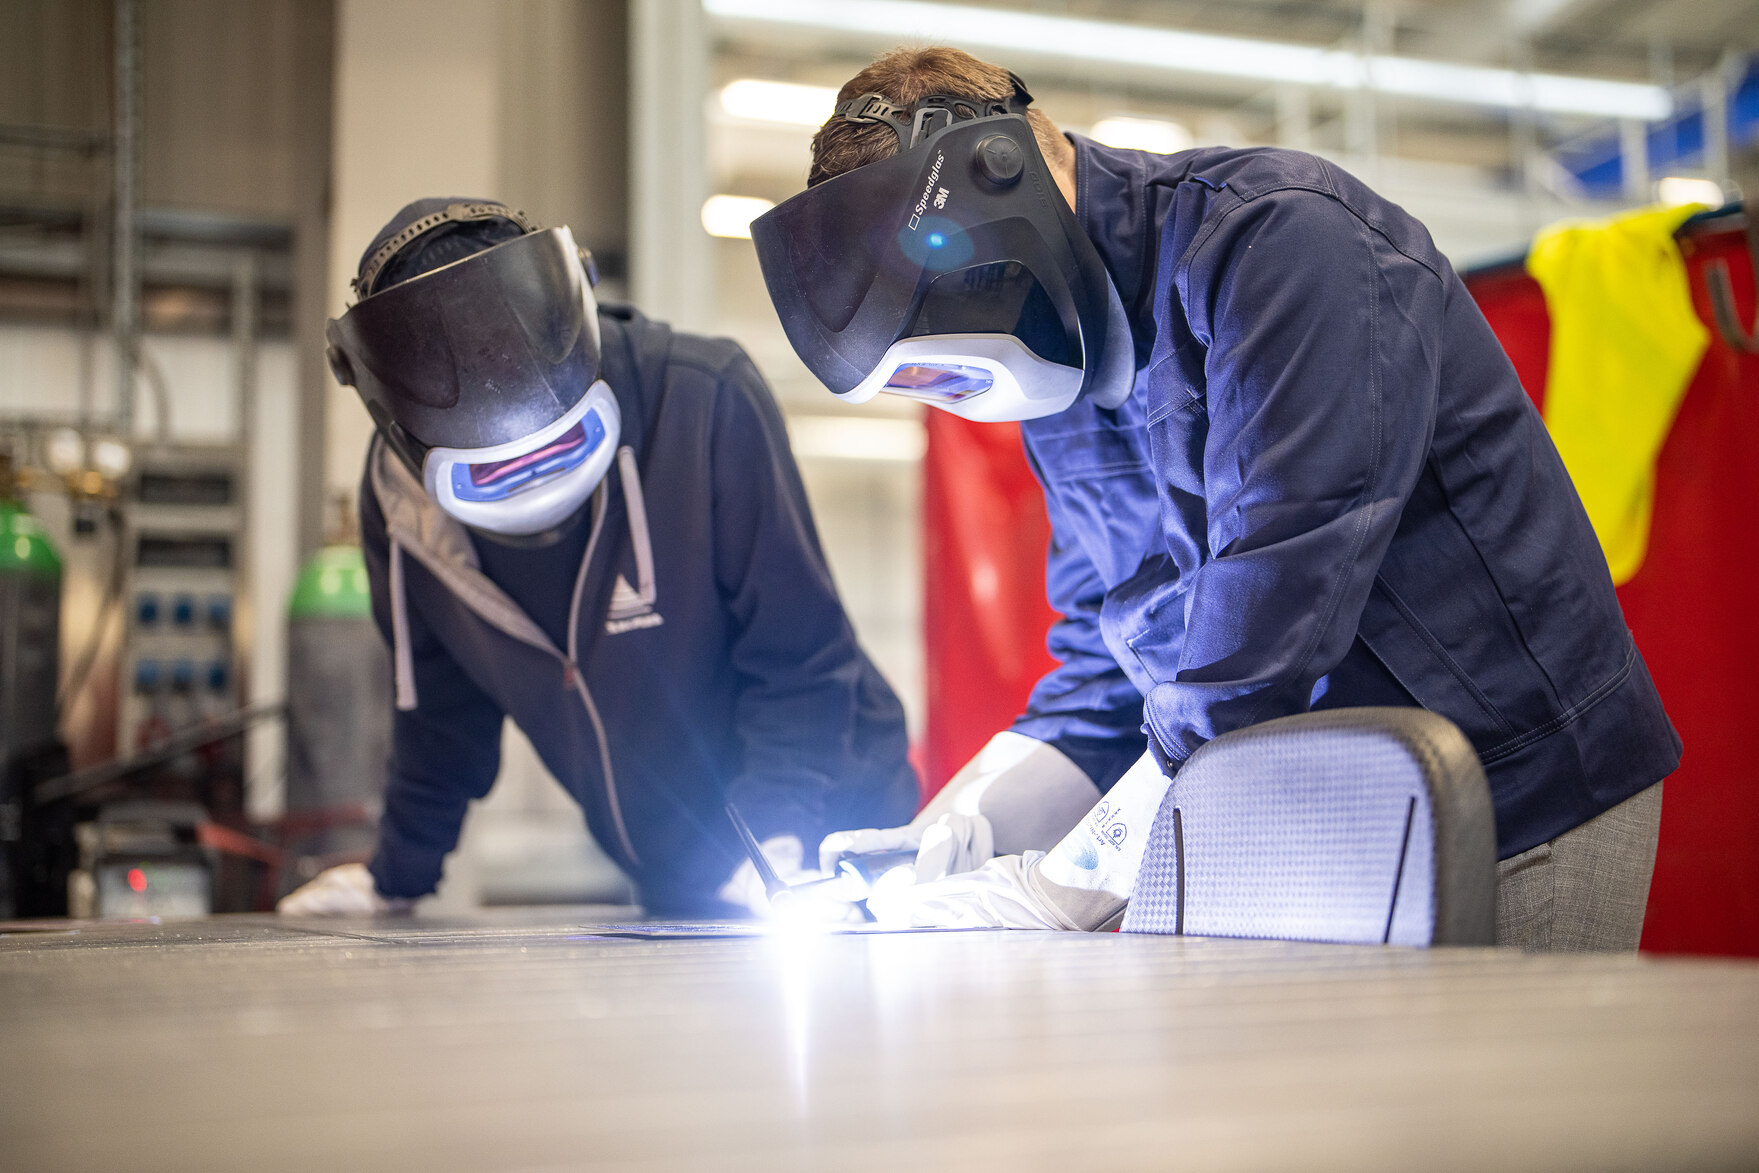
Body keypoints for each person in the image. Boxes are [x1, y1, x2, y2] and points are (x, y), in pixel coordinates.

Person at [751, 48, 1679, 950]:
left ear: (1009, 183)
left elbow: (1276, 608)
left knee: (1505, 1108)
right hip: (1314, 817)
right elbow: (1105, 665)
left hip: (1516, 796)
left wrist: (1064, 882)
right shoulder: (1060, 373)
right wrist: (957, 829)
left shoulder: (1280, 240)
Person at [279, 198, 915, 916]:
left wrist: (777, 844)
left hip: (833, 839)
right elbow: (439, 713)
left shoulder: (703, 401)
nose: (532, 480)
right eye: (491, 473)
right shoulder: (401, 501)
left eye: (555, 449)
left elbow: (801, 662)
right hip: (674, 875)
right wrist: (393, 877)